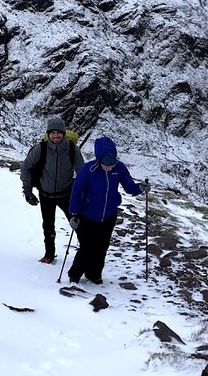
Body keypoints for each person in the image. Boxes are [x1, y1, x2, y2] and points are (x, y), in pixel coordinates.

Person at [67, 136, 149, 285]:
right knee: (87, 247)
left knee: (102, 247)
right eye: (107, 164)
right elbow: (76, 192)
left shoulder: (119, 168)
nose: (110, 167)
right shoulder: (88, 170)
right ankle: (75, 274)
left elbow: (129, 187)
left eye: (112, 164)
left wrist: (141, 188)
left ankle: (94, 274)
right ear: (99, 159)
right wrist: (74, 214)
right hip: (87, 216)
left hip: (109, 216)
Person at [20, 116, 85, 263]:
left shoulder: (72, 149)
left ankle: (85, 253)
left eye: (59, 132)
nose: (56, 136)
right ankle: (49, 254)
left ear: (63, 133)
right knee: (48, 226)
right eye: (53, 132)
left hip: (66, 194)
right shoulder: (40, 149)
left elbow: (82, 173)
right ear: (48, 133)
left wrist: (83, 192)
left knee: (78, 224)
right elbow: (25, 168)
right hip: (45, 194)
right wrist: (28, 192)